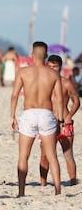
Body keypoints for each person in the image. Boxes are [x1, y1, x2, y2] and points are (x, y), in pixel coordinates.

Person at [10, 41, 63, 197]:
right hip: (47, 114)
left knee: (23, 156)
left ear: (32, 55)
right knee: (52, 156)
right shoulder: (53, 74)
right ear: (46, 56)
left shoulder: (23, 72)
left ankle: (21, 192)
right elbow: (59, 99)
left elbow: (14, 95)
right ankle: (58, 190)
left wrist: (12, 116)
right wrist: (59, 120)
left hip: (29, 113)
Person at [39, 55, 80, 186]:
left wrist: (69, 116)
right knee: (45, 155)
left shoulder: (66, 83)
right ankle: (43, 184)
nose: (52, 69)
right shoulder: (43, 82)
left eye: (55, 66)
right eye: (49, 66)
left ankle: (73, 182)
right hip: (48, 122)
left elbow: (77, 102)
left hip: (64, 123)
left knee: (68, 154)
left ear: (60, 67)